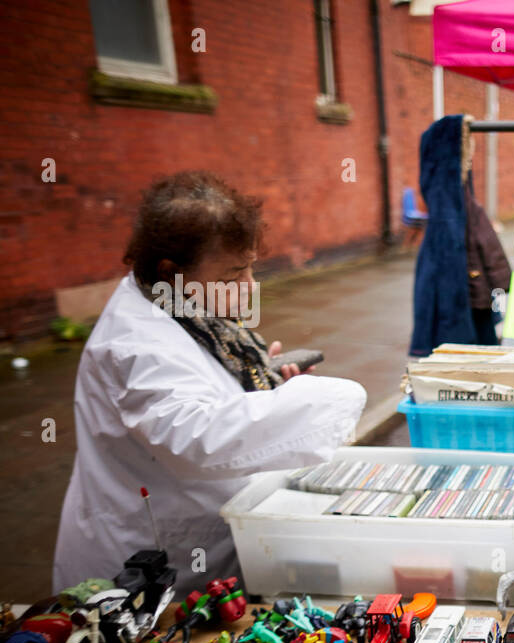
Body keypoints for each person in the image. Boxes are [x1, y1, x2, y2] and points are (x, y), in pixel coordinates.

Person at [54, 172, 366, 595]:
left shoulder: (179, 305)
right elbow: (196, 437)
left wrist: (262, 381)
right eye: (233, 275)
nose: (250, 287)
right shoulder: (132, 343)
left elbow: (201, 381)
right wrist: (318, 400)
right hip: (148, 562)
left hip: (205, 538)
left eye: (251, 268)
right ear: (171, 271)